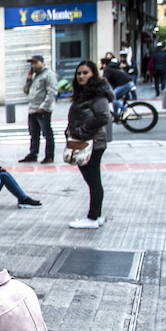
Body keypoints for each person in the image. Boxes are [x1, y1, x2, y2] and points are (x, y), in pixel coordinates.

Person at [65, 60, 114, 230]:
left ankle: (93, 217)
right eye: (79, 73)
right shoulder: (84, 93)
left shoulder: (97, 94)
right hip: (85, 140)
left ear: (93, 74)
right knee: (92, 180)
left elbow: (102, 117)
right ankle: (97, 215)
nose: (81, 76)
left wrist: (81, 131)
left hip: (92, 142)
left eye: (85, 73)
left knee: (93, 180)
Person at [20, 54, 58, 163]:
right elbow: (26, 91)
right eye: (32, 63)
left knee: (47, 133)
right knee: (33, 133)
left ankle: (49, 156)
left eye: (35, 62)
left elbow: (52, 92)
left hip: (42, 110)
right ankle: (33, 153)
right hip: (32, 109)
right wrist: (28, 79)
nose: (33, 65)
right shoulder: (34, 76)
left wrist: (43, 107)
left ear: (42, 62)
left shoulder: (49, 75)